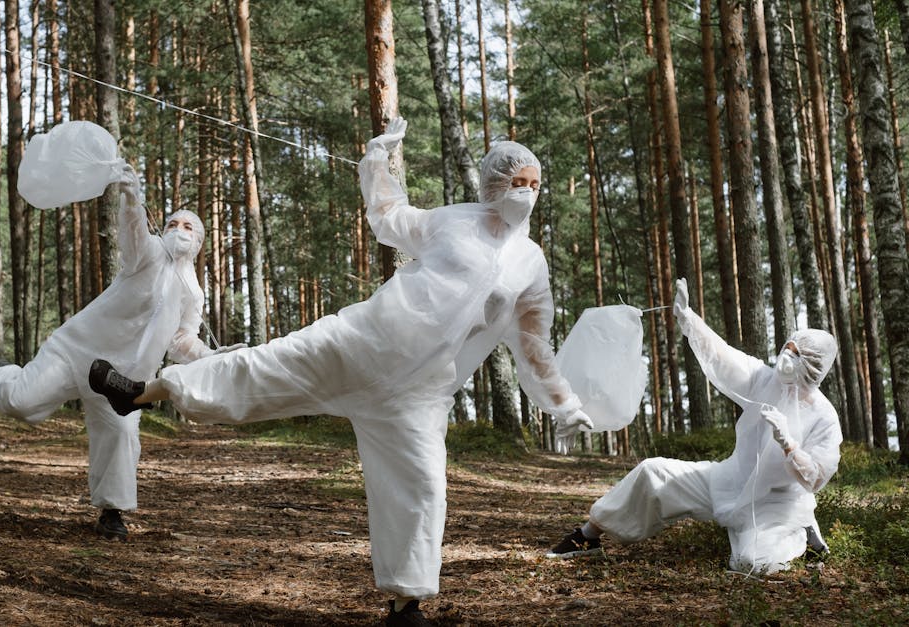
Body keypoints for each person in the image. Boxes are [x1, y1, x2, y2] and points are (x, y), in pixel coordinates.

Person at [88, 118, 594, 626]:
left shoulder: (530, 264)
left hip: (416, 393)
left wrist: (564, 402)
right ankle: (137, 394)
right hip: (362, 342)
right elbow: (390, 214)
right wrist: (376, 159)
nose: (525, 194)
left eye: (534, 185)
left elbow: (533, 343)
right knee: (261, 367)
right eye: (517, 183)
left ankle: (405, 605)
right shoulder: (449, 223)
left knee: (421, 489)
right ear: (493, 184)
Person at [0, 165, 242, 541]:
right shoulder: (150, 253)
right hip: (76, 349)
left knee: (122, 436)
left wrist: (212, 357)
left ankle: (111, 512)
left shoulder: (193, 292)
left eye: (188, 227)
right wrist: (131, 198)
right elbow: (134, 236)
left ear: (199, 240)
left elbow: (182, 341)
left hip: (118, 381)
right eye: (172, 223)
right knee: (24, 403)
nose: (177, 230)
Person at [546, 278, 841, 575]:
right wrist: (689, 319)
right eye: (787, 347)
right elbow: (723, 356)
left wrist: (789, 444)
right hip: (728, 479)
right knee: (653, 471)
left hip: (776, 504)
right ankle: (587, 537)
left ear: (813, 366)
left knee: (751, 564)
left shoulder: (824, 418)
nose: (785, 356)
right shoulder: (765, 380)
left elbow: (815, 478)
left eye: (796, 353)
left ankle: (802, 533)